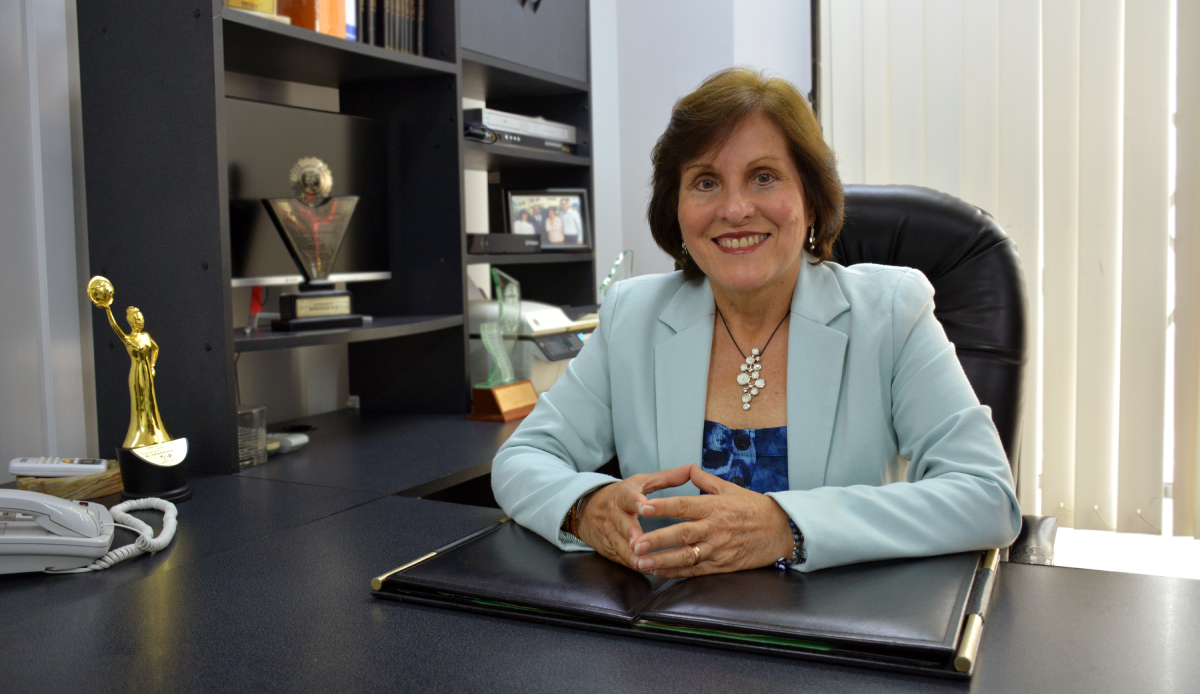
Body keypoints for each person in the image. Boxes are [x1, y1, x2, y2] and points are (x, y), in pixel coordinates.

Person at [491, 68, 1020, 576]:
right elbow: (524, 457)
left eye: (764, 177)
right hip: (668, 624)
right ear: (676, 209)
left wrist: (785, 526)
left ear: (811, 199)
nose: (736, 208)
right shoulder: (632, 316)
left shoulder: (890, 312)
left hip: (834, 622)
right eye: (705, 182)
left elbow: (986, 495)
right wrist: (585, 507)